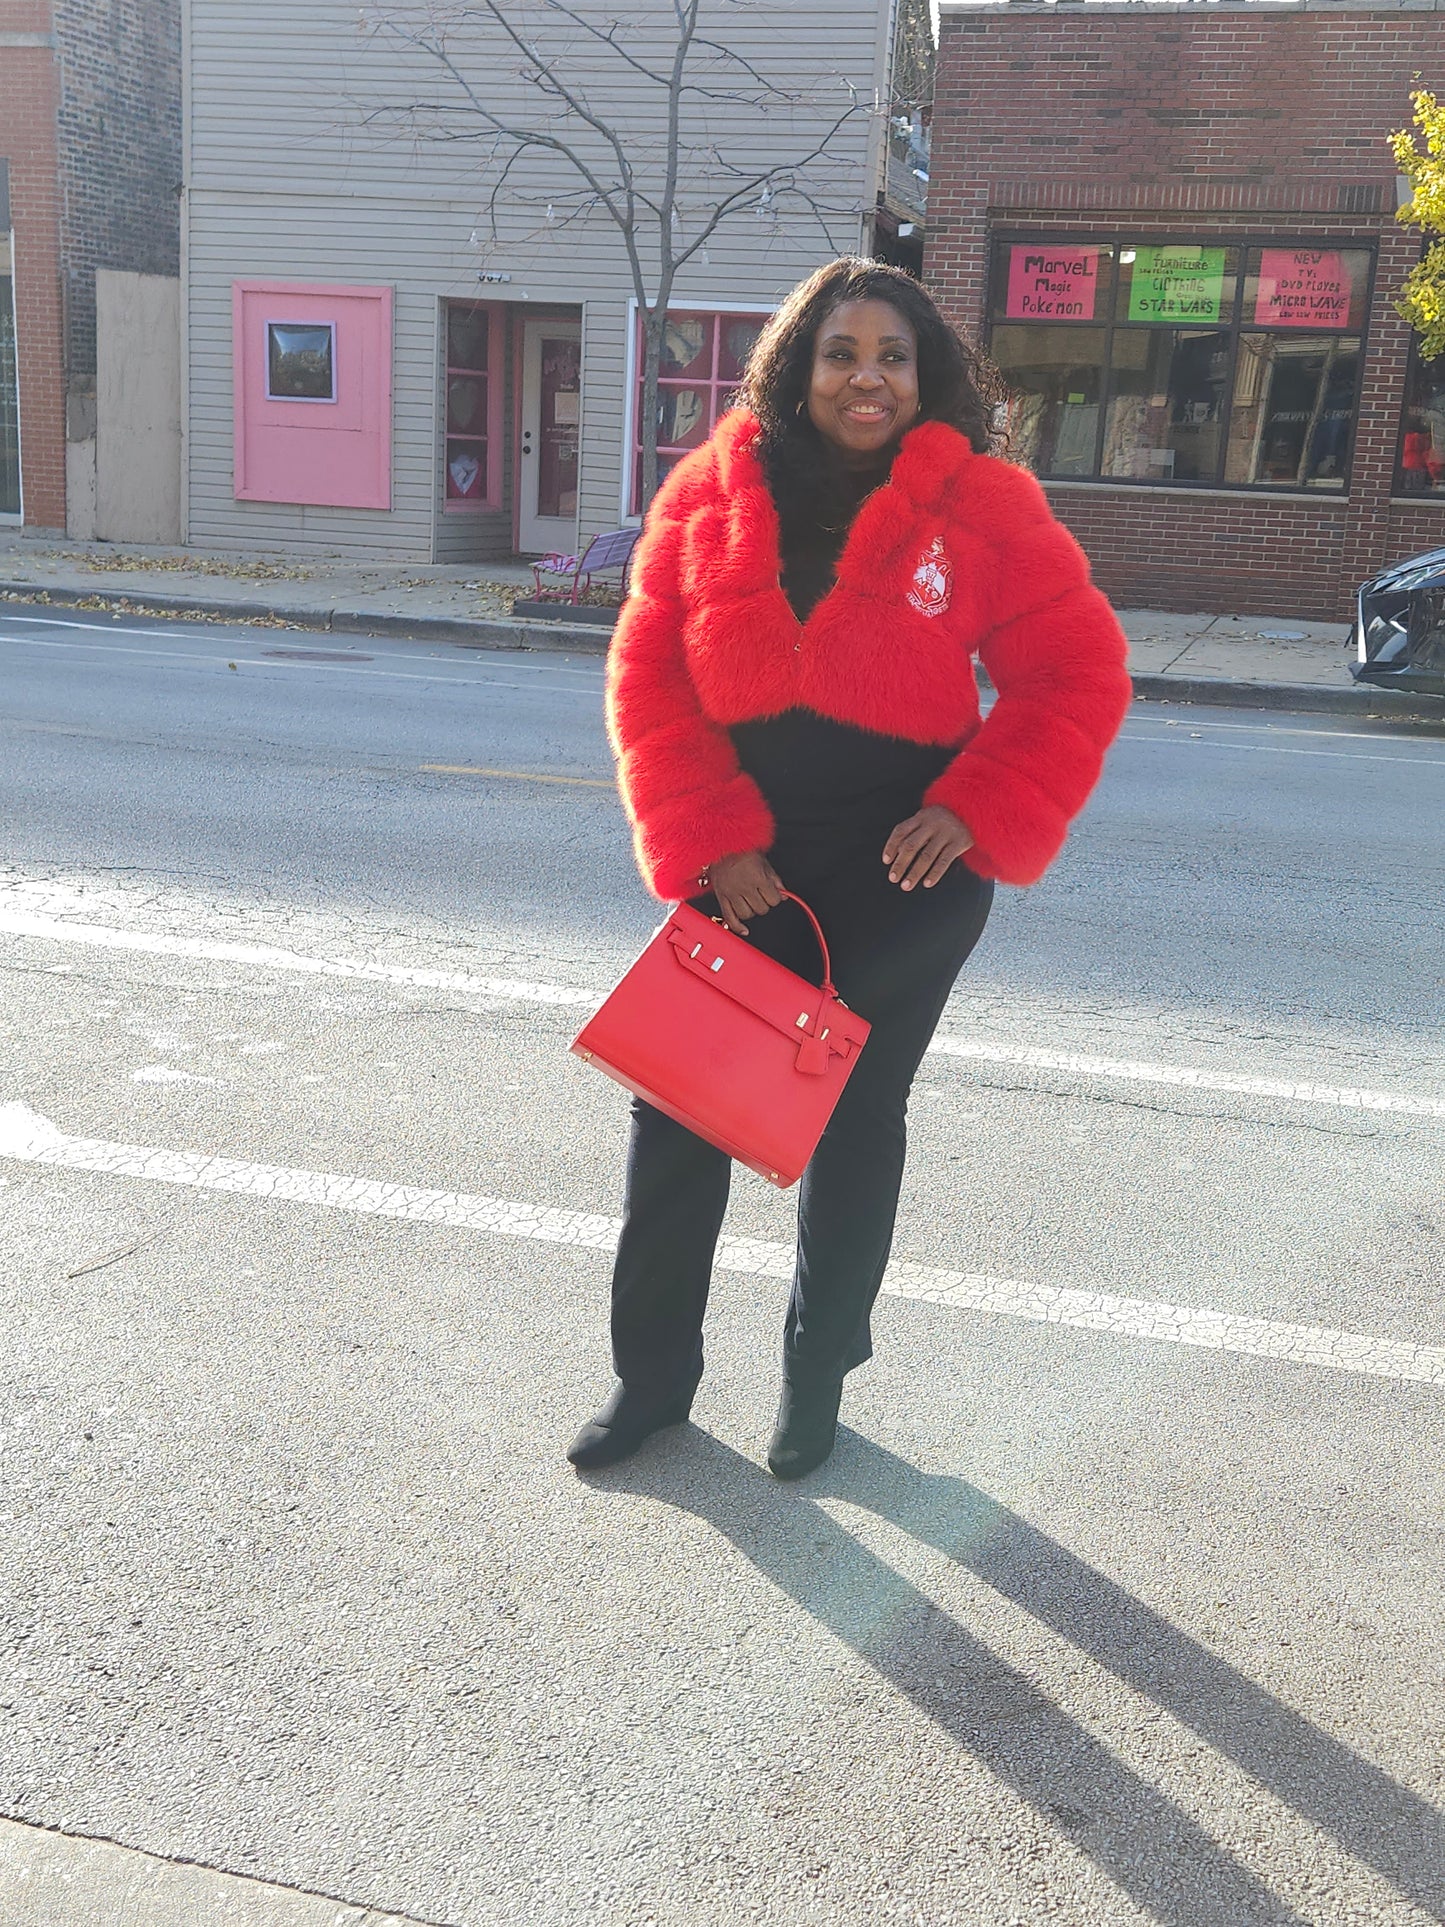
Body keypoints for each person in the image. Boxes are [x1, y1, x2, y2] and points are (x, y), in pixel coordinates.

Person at [569, 257, 1132, 1479]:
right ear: (795, 367)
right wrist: (713, 836)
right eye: (839, 353)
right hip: (742, 860)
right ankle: (651, 1380)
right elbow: (650, 671)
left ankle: (815, 1376)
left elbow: (1075, 675)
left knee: (853, 1117)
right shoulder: (710, 493)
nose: (865, 377)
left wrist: (973, 806)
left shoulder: (983, 504)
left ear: (922, 376)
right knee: (674, 1110)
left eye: (891, 355)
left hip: (903, 869)